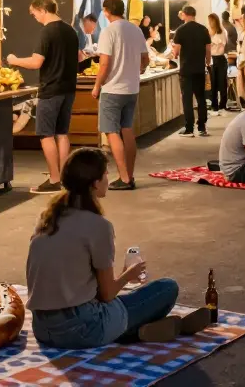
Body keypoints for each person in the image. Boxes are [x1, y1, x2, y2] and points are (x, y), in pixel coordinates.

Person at [27, 148, 210, 348]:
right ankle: (143, 332)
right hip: (81, 327)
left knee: (122, 304)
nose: (108, 178)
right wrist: (128, 275)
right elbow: (106, 294)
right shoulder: (98, 226)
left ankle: (142, 331)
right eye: (105, 174)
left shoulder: (47, 218)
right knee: (167, 288)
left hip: (42, 328)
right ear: (95, 183)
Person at [8, 0, 80, 193]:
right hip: (68, 89)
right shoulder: (70, 30)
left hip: (51, 89)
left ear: (43, 10)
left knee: (45, 134)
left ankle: (55, 179)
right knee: (62, 133)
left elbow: (35, 62)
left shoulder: (47, 32)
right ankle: (65, 178)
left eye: (34, 14)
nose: (35, 18)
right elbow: (79, 57)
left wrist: (14, 60)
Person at [90, 0, 149, 190]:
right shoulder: (136, 30)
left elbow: (104, 63)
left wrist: (97, 85)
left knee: (111, 132)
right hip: (132, 89)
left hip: (113, 89)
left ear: (106, 11)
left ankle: (124, 178)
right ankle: (129, 175)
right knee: (127, 129)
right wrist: (137, 70)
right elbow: (145, 59)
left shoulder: (108, 32)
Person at [170, 5, 212, 138]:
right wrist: (206, 62)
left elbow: (176, 53)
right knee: (201, 99)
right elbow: (208, 51)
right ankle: (202, 127)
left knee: (187, 100)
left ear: (184, 14)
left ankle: (189, 128)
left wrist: (173, 51)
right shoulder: (203, 29)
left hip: (186, 70)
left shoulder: (180, 30)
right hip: (199, 69)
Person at [207, 14, 229, 115]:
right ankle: (214, 104)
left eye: (211, 21)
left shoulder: (222, 31)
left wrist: (212, 39)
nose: (210, 23)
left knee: (222, 82)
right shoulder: (208, 31)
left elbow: (222, 43)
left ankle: (223, 104)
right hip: (212, 58)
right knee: (213, 83)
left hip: (220, 58)